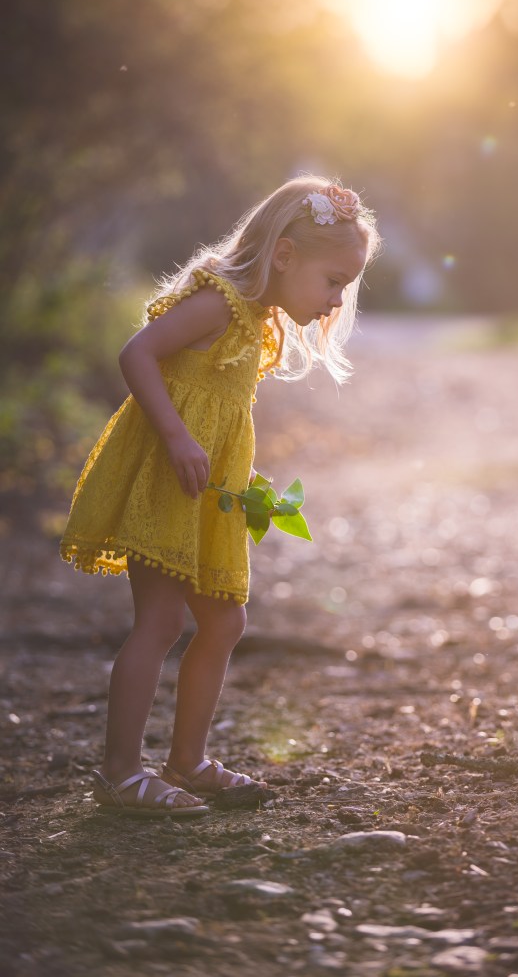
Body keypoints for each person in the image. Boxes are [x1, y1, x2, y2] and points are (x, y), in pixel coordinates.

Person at [60, 175, 381, 817]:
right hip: (167, 474)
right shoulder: (221, 302)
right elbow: (138, 354)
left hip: (206, 488)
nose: (335, 300)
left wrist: (239, 480)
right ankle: (121, 775)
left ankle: (188, 762)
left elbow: (222, 410)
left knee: (224, 621)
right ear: (284, 256)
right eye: (332, 281)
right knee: (160, 621)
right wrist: (179, 439)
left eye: (346, 286)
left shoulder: (256, 317)